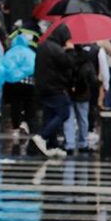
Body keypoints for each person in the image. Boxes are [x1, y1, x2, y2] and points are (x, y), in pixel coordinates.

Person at [30, 24, 78, 158]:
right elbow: (69, 63)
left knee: (50, 114)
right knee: (64, 112)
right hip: (55, 87)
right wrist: (70, 50)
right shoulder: (56, 49)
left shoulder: (43, 46)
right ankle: (42, 136)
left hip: (42, 86)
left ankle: (52, 144)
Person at [62, 43, 99, 154]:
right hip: (83, 93)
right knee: (83, 119)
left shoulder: (66, 58)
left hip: (68, 92)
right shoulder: (87, 59)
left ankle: (70, 143)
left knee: (69, 119)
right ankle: (83, 142)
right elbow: (93, 79)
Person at [2, 31, 37, 135]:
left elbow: (5, 66)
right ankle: (26, 123)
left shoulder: (10, 53)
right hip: (28, 83)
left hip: (14, 83)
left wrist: (15, 74)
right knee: (28, 104)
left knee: (15, 104)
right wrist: (23, 73)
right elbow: (33, 66)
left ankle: (16, 126)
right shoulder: (30, 52)